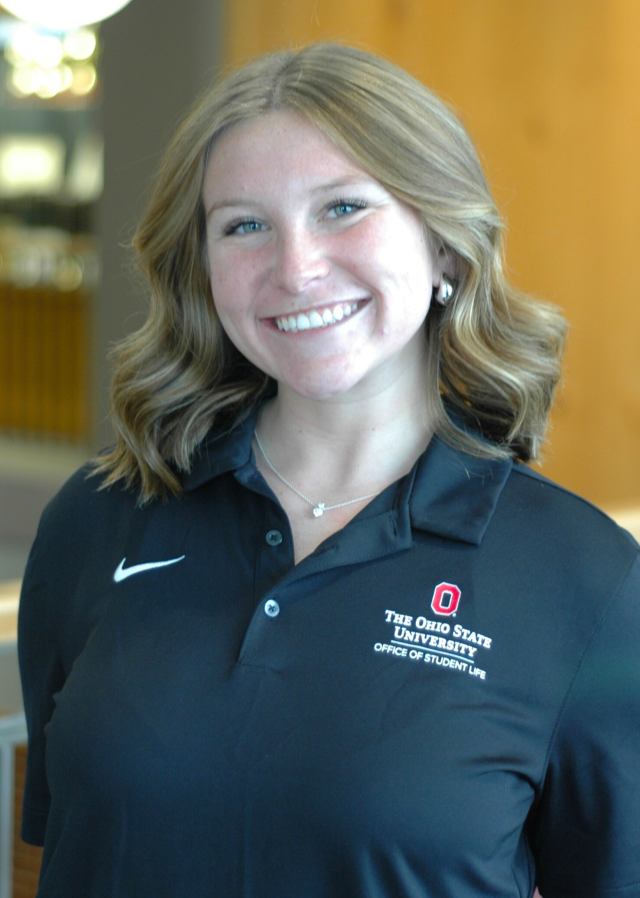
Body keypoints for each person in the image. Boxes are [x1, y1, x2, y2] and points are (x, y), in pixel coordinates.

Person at [18, 43, 640, 898]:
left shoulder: (590, 581)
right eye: (244, 224)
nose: (297, 267)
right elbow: (52, 852)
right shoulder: (99, 517)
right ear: (201, 267)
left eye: (343, 207)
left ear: (447, 250)